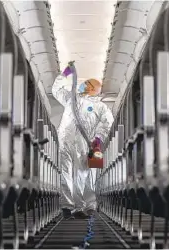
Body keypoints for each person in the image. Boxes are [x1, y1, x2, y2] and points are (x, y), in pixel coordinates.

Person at [52, 61, 114, 218]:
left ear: (92, 88)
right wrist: (64, 74)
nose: (81, 85)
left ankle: (83, 206)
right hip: (65, 138)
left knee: (82, 174)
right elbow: (56, 90)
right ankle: (67, 206)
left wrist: (98, 138)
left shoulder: (100, 107)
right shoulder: (71, 98)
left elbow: (107, 124)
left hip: (84, 141)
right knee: (65, 171)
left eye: (86, 84)